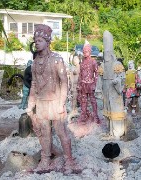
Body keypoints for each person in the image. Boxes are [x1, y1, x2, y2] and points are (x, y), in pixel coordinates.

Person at [26, 24, 75, 173]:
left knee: (61, 132)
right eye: (35, 40)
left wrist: (61, 103)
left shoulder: (56, 59)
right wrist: (30, 105)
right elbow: (33, 84)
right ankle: (46, 158)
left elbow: (64, 82)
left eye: (40, 40)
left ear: (47, 42)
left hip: (55, 102)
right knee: (45, 132)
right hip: (41, 103)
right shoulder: (34, 63)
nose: (37, 43)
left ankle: (68, 159)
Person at [95, 30, 126, 139]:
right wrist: (98, 90)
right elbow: (99, 78)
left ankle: (117, 132)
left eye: (108, 53)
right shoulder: (102, 65)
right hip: (106, 90)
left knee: (115, 109)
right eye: (105, 54)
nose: (106, 56)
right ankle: (109, 130)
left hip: (114, 90)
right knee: (107, 109)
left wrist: (117, 81)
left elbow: (122, 77)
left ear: (112, 54)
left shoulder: (117, 64)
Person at [77, 40, 100, 124]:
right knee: (83, 101)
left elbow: (97, 73)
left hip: (90, 84)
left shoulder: (93, 61)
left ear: (90, 51)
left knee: (93, 100)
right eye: (84, 51)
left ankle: (95, 116)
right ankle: (84, 116)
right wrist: (79, 84)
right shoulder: (82, 62)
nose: (85, 53)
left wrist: (95, 83)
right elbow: (80, 74)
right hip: (83, 84)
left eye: (86, 51)